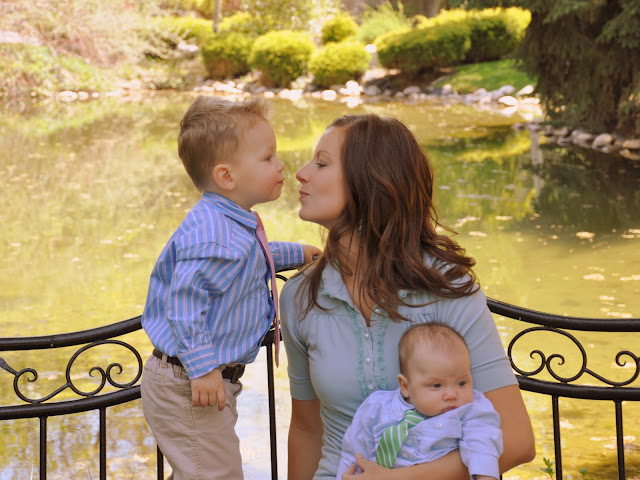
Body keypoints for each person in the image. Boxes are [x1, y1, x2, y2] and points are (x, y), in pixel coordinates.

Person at [280, 113, 536, 480]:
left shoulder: (446, 287)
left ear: (370, 182)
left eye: (321, 163)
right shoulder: (300, 296)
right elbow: (307, 431)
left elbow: (515, 440)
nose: (301, 173)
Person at [140, 95, 320, 480]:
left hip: (197, 379)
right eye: (268, 158)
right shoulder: (214, 236)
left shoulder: (227, 222)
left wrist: (297, 253)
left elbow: (251, 255)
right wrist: (203, 368)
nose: (281, 165)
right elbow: (184, 305)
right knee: (218, 474)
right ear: (227, 177)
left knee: (202, 470)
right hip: (189, 381)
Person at [336, 322, 502, 480]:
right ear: (405, 386)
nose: (452, 394)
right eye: (437, 385)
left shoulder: (471, 410)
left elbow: (482, 445)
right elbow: (354, 451)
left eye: (461, 383)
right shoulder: (376, 406)